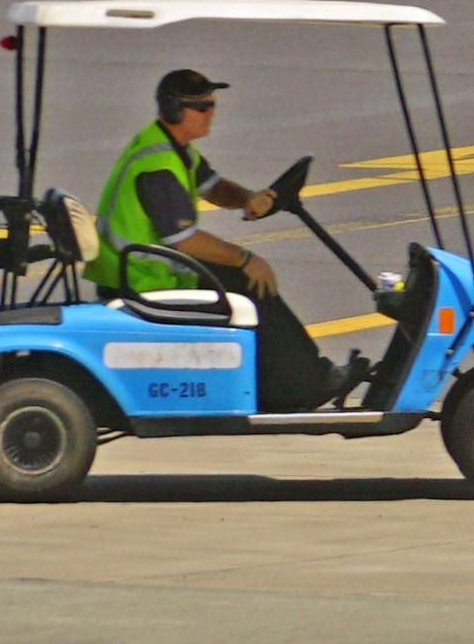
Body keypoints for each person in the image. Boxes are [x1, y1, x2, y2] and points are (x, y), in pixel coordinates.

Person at [93, 66, 342, 413]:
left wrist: (247, 199)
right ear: (175, 111)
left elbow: (213, 186)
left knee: (243, 279)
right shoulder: (158, 165)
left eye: (212, 104)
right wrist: (246, 259)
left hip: (152, 272)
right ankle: (302, 385)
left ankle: (289, 380)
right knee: (252, 283)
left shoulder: (175, 147)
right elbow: (184, 241)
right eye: (202, 107)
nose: (212, 112)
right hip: (139, 282)